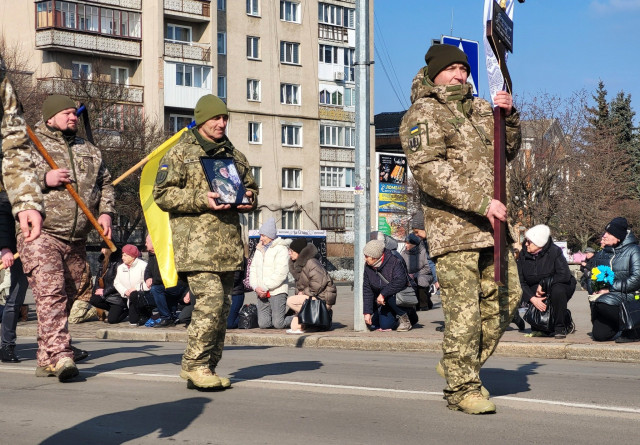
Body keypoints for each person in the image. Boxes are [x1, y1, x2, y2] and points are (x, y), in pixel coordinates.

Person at [400, 43, 522, 414]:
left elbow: (508, 152)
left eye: (464, 69)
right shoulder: (422, 113)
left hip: (493, 228)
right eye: (452, 69)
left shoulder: (481, 108)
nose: (460, 75)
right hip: (455, 231)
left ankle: (458, 365)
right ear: (434, 73)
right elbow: (429, 171)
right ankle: (462, 389)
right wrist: (482, 203)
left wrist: (509, 116)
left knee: (508, 297)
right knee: (464, 314)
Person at [153, 94, 257, 390]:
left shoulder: (235, 155)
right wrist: (202, 198)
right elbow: (162, 194)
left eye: (225, 118)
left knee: (222, 310)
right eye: (216, 118)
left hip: (228, 247)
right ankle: (195, 364)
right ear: (201, 120)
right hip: (196, 247)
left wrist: (249, 198)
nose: (221, 123)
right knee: (210, 303)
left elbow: (250, 188)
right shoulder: (180, 153)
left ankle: (207, 367)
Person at [16, 95, 114, 381]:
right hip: (41, 234)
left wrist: (106, 212)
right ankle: (62, 356)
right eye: (67, 113)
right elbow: (12, 182)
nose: (73, 117)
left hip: (77, 239)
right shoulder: (29, 144)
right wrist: (44, 180)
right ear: (50, 118)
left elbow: (106, 183)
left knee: (67, 298)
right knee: (51, 295)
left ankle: (46, 358)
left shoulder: (89, 150)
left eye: (74, 113)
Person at [517, 224, 576, 339]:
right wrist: (532, 299)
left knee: (558, 290)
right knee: (542, 326)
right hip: (535, 290)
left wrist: (544, 283)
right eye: (526, 241)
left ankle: (560, 327)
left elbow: (564, 275)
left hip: (557, 284)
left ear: (539, 243)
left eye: (529, 242)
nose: (526, 244)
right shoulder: (523, 255)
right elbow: (520, 281)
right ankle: (557, 318)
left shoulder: (554, 251)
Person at [590, 217, 640, 343]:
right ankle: (623, 326)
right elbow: (593, 278)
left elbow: (636, 279)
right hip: (607, 298)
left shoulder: (634, 251)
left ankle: (634, 329)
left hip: (630, 296)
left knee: (603, 303)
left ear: (618, 237)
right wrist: (596, 288)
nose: (604, 235)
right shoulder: (601, 254)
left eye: (609, 233)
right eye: (605, 232)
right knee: (599, 335)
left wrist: (609, 288)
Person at [362, 239, 418, 332]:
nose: (365, 259)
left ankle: (406, 317)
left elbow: (400, 281)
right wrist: (367, 312)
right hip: (383, 301)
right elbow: (367, 289)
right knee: (383, 325)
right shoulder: (368, 266)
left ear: (375, 257)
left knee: (390, 294)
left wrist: (383, 294)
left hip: (397, 295)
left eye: (367, 256)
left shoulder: (394, 261)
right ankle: (396, 318)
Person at [0, 189, 29, 362]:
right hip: (17, 249)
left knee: (55, 298)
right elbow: (3, 216)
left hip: (42, 248)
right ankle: (7, 345)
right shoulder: (13, 189)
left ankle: (60, 344)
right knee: (14, 299)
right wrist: (5, 247)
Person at [286, 238, 337, 334]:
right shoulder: (298, 265)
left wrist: (303, 293)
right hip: (310, 297)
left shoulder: (311, 263)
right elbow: (300, 286)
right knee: (294, 327)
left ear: (299, 252)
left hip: (322, 298)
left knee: (290, 301)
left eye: (291, 251)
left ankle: (322, 314)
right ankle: (315, 321)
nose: (289, 253)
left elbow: (318, 284)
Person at [249, 217, 292, 329]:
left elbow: (281, 273)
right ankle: (277, 317)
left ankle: (299, 317)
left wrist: (264, 287)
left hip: (277, 291)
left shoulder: (281, 249)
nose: (261, 238)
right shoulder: (259, 249)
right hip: (261, 292)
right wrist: (256, 287)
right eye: (260, 235)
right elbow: (253, 269)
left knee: (278, 324)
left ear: (270, 236)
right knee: (264, 324)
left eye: (263, 235)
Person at [144, 234, 187, 328]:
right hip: (164, 284)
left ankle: (166, 317)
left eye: (147, 242)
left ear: (154, 242)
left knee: (156, 289)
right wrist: (147, 278)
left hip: (178, 283)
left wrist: (153, 281)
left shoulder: (166, 253)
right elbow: (148, 270)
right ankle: (171, 315)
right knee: (159, 288)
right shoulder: (152, 255)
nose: (145, 244)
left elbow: (162, 275)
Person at [113, 244, 151, 326]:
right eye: (122, 255)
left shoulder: (143, 266)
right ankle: (128, 310)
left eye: (125, 255)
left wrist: (135, 288)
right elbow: (116, 282)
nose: (122, 257)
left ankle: (145, 313)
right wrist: (124, 291)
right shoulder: (120, 267)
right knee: (112, 319)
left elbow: (148, 283)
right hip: (125, 296)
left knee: (133, 321)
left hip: (139, 295)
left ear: (132, 256)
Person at [89, 246, 129, 324]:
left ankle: (126, 310)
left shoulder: (119, 263)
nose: (102, 251)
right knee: (94, 299)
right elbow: (98, 278)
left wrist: (104, 291)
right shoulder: (103, 262)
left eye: (103, 248)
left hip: (116, 297)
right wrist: (96, 290)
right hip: (107, 295)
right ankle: (113, 310)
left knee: (112, 320)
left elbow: (117, 283)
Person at [401, 233, 434, 311]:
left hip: (425, 274)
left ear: (414, 244)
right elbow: (401, 266)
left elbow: (428, 267)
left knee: (420, 280)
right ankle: (412, 304)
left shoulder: (423, 252)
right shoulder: (404, 253)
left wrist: (415, 274)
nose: (405, 245)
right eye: (405, 243)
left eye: (408, 243)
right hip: (409, 275)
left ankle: (423, 304)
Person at [227, 256, 247, 329]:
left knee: (229, 324)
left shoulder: (238, 258)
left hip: (236, 293)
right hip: (226, 294)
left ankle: (247, 315)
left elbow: (236, 278)